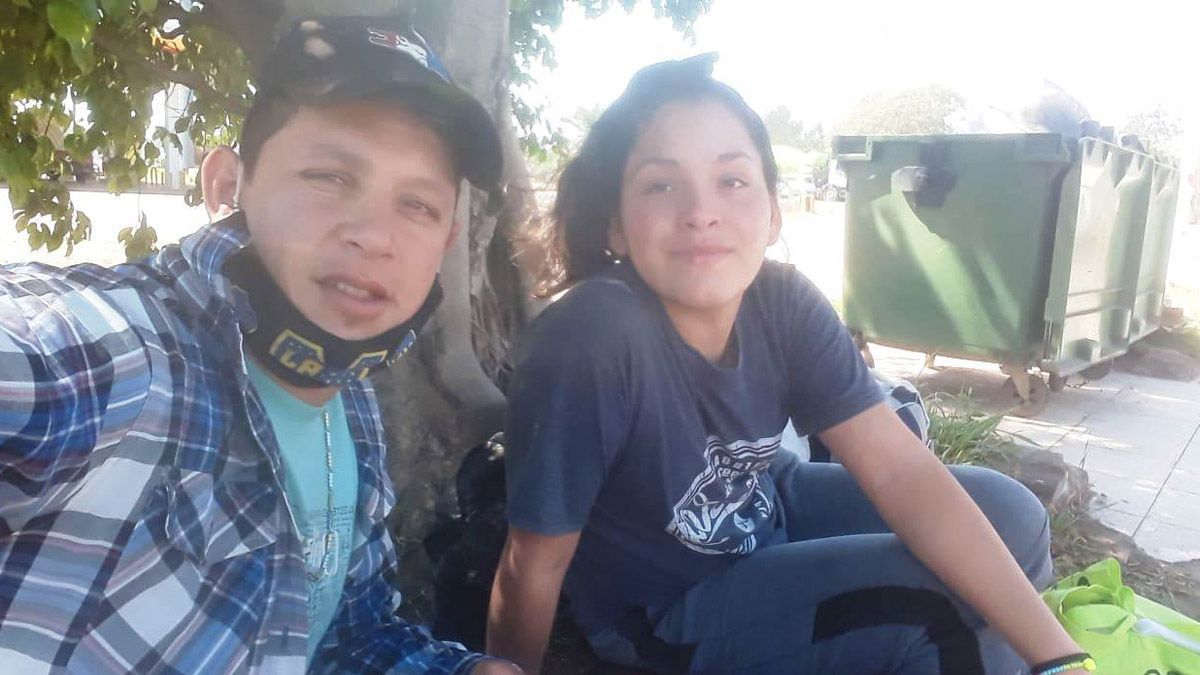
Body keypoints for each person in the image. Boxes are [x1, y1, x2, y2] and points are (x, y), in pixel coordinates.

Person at [486, 54, 1094, 675]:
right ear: (615, 225)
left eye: (732, 180)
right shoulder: (589, 339)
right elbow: (533, 560)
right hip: (671, 607)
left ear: (773, 212)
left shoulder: (780, 301)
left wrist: (1059, 657)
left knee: (1013, 517)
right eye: (661, 185)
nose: (701, 212)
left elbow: (899, 471)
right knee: (941, 606)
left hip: (765, 510)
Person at [0, 16, 520, 674]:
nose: (374, 235)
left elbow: (344, 634)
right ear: (228, 184)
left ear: (445, 241)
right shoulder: (124, 357)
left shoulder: (353, 403)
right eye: (330, 176)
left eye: (417, 205)